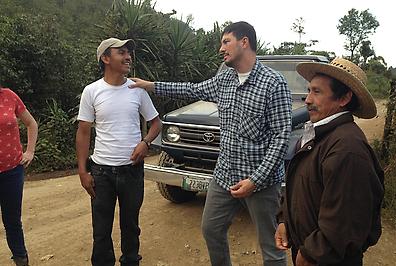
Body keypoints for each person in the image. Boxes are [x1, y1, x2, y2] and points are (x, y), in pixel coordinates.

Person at [131, 21, 291, 266]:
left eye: (226, 41)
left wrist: (255, 180)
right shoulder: (224, 79)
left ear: (244, 42)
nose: (220, 48)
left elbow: (281, 137)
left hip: (260, 182)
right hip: (224, 175)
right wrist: (150, 86)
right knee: (211, 229)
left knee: (270, 246)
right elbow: (192, 90)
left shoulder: (273, 83)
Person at [275, 58, 384, 266]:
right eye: (308, 90)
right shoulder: (316, 134)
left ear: (344, 98)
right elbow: (299, 186)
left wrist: (312, 253)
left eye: (317, 92)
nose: (307, 99)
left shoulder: (348, 149)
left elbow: (346, 219)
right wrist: (284, 221)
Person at [76, 38, 161, 266]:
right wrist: (83, 172)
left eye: (128, 52)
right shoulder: (91, 91)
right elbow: (83, 132)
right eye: (121, 52)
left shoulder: (137, 89)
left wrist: (145, 143)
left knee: (130, 226)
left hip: (132, 171)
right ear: (105, 58)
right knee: (101, 230)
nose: (128, 57)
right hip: (101, 172)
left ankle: (130, 261)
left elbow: (156, 123)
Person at [0, 85, 38, 266]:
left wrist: (30, 151)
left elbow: (31, 123)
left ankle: (21, 260)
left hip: (12, 171)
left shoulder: (8, 96)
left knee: (12, 221)